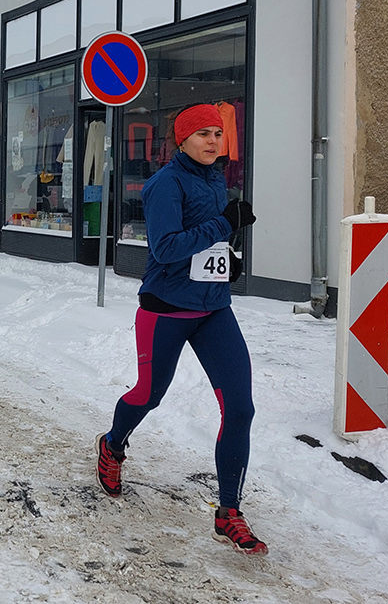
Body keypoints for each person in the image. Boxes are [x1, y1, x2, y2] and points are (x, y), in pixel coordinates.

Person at [94, 104, 264, 555]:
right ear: (182, 140)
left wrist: (226, 261)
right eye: (203, 133)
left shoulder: (216, 179)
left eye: (218, 133)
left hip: (213, 309)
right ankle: (112, 445)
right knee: (148, 395)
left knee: (241, 408)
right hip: (165, 309)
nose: (213, 141)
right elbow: (167, 248)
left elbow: (207, 242)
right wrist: (224, 223)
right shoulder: (164, 184)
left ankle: (229, 512)